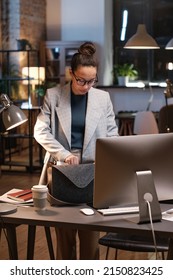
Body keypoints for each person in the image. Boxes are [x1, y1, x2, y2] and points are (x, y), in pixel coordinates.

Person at [34, 41, 119, 259]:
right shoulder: (54, 96)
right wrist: (64, 154)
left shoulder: (103, 98)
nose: (87, 86)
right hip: (63, 174)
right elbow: (40, 131)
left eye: (92, 81)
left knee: (91, 242)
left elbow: (112, 135)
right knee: (65, 241)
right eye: (82, 80)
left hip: (94, 173)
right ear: (71, 73)